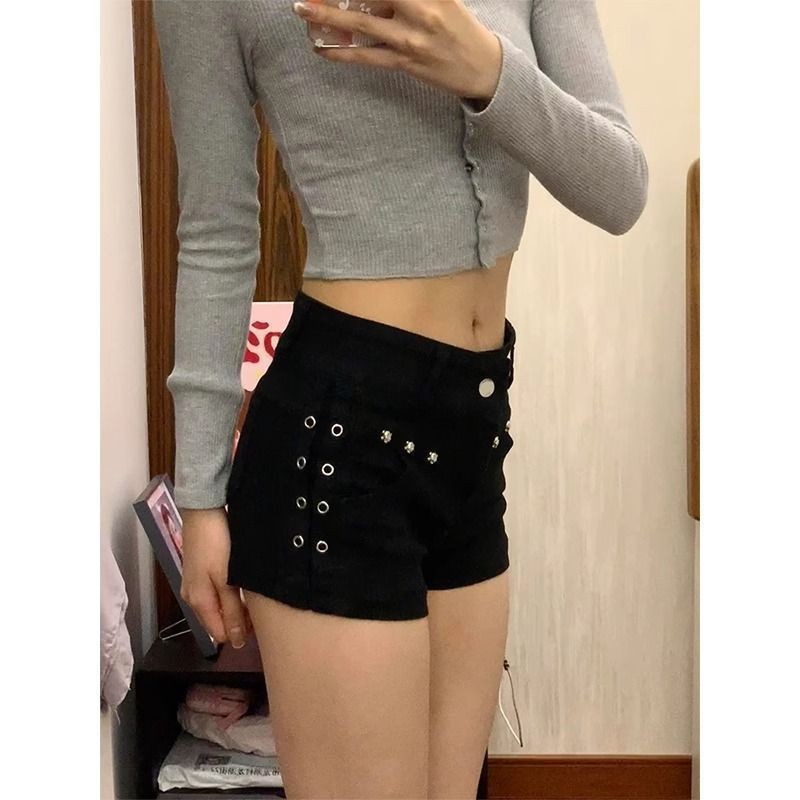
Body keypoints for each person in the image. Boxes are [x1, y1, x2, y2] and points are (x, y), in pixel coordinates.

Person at [152, 1, 648, 797]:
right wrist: (200, 495)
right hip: (336, 441)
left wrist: (486, 70)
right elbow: (216, 232)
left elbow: (620, 189)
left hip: (474, 431)